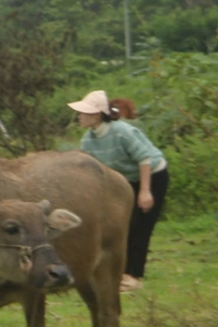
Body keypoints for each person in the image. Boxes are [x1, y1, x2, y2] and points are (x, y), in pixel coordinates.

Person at [67, 89, 168, 293]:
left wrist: (145, 192)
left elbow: (144, 158)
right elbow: (92, 170)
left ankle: (135, 277)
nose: (79, 116)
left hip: (152, 175)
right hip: (125, 180)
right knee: (123, 226)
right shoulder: (88, 139)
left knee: (141, 227)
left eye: (83, 112)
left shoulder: (122, 132)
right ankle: (122, 274)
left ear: (96, 115)